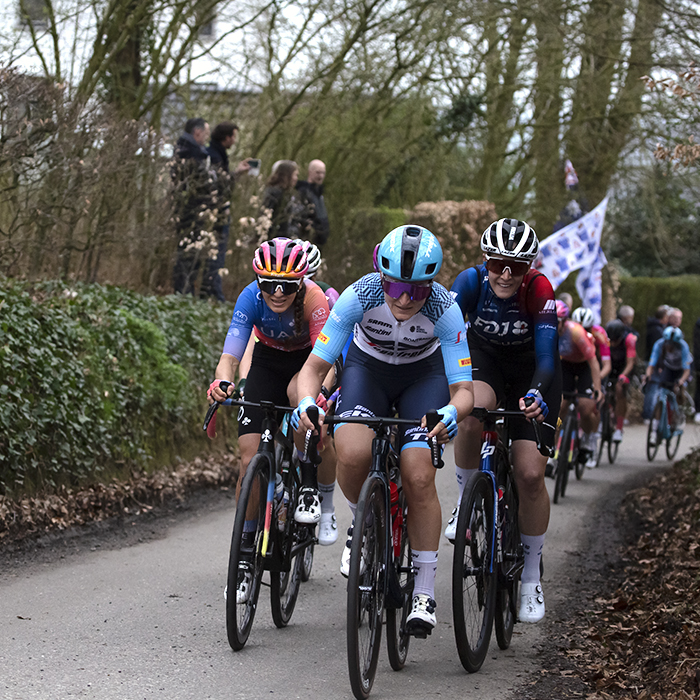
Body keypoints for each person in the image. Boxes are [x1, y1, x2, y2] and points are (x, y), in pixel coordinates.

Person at [293, 225, 474, 635]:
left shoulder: (445, 308)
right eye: (395, 289)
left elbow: (464, 389)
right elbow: (314, 368)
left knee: (418, 475)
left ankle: (424, 589)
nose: (406, 299)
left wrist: (450, 412)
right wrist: (306, 400)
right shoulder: (360, 296)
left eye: (418, 290)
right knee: (353, 451)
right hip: (367, 372)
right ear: (381, 279)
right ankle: (365, 518)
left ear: (432, 285)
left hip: (423, 379)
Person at [449, 218, 561, 624]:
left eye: (516, 265)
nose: (506, 274)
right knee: (470, 415)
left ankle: (531, 574)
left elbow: (548, 358)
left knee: (530, 474)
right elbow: (441, 333)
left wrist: (535, 393)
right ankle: (465, 499)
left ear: (529, 266)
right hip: (486, 362)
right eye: (498, 264)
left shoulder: (539, 289)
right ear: (486, 261)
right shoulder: (470, 282)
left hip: (533, 370)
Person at [207, 238, 330, 603]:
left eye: (287, 285)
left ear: (301, 282)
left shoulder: (314, 301)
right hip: (266, 363)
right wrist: (222, 381)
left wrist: (319, 393)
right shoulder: (249, 297)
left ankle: (307, 482)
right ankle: (245, 553)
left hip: (308, 363)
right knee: (249, 459)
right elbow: (231, 353)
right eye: (269, 284)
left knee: (299, 397)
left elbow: (326, 361)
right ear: (258, 281)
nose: (277, 293)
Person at [200, 122, 252, 302]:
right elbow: (219, 185)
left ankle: (210, 291)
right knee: (216, 251)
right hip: (216, 212)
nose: (235, 141)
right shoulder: (213, 156)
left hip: (217, 210)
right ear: (226, 137)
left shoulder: (217, 155)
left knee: (214, 251)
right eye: (233, 136)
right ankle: (212, 292)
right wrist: (236, 174)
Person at [171, 117, 217, 295]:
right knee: (187, 253)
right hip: (190, 208)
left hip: (193, 207)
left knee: (191, 253)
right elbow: (198, 181)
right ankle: (183, 290)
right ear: (197, 132)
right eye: (205, 133)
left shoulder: (191, 152)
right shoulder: (189, 153)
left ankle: (185, 289)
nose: (206, 138)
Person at [558, 301, 601, 468]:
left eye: (557, 321)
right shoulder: (547, 330)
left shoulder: (576, 332)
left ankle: (588, 439)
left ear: (564, 320)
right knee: (559, 407)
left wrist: (597, 388)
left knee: (585, 406)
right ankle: (554, 447)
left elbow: (593, 362)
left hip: (584, 367)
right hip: (566, 365)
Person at [645, 326, 692, 443]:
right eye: (668, 344)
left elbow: (687, 371)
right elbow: (652, 364)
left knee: (679, 390)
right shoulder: (659, 344)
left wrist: (681, 381)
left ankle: (678, 414)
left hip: (681, 370)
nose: (670, 347)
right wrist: (647, 375)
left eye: (673, 345)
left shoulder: (683, 346)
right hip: (669, 369)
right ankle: (655, 429)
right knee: (660, 395)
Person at [606, 319, 637, 441]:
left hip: (625, 368)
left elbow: (630, 362)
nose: (613, 344)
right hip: (610, 365)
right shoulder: (605, 339)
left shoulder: (629, 340)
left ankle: (619, 428)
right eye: (611, 341)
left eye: (615, 341)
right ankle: (607, 413)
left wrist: (623, 376)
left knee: (619, 390)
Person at [260, 161, 305, 239]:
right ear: (287, 175)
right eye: (295, 175)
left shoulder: (287, 194)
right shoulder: (274, 193)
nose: (296, 178)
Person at [572, 307, 611, 382]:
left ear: (591, 327)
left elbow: (607, 365)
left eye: (586, 329)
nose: (583, 334)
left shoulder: (600, 334)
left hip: (596, 363)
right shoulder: (568, 333)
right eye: (579, 330)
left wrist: (596, 381)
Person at [296, 160, 330, 246]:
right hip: (307, 241)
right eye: (318, 172)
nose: (321, 176)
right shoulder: (303, 192)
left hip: (319, 241)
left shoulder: (319, 194)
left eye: (323, 173)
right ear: (309, 172)